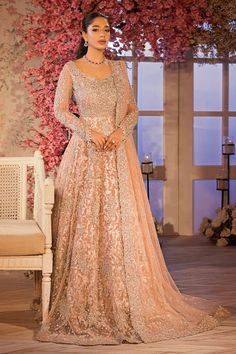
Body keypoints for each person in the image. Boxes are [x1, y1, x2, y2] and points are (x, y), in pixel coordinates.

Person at [36, 11, 229, 346]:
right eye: (95, 29)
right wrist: (88, 132)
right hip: (84, 154)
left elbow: (132, 110)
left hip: (116, 155)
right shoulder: (71, 69)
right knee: (85, 225)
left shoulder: (117, 68)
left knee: (117, 224)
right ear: (83, 35)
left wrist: (119, 133)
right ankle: (85, 298)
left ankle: (124, 299)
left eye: (106, 29)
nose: (102, 34)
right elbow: (60, 110)